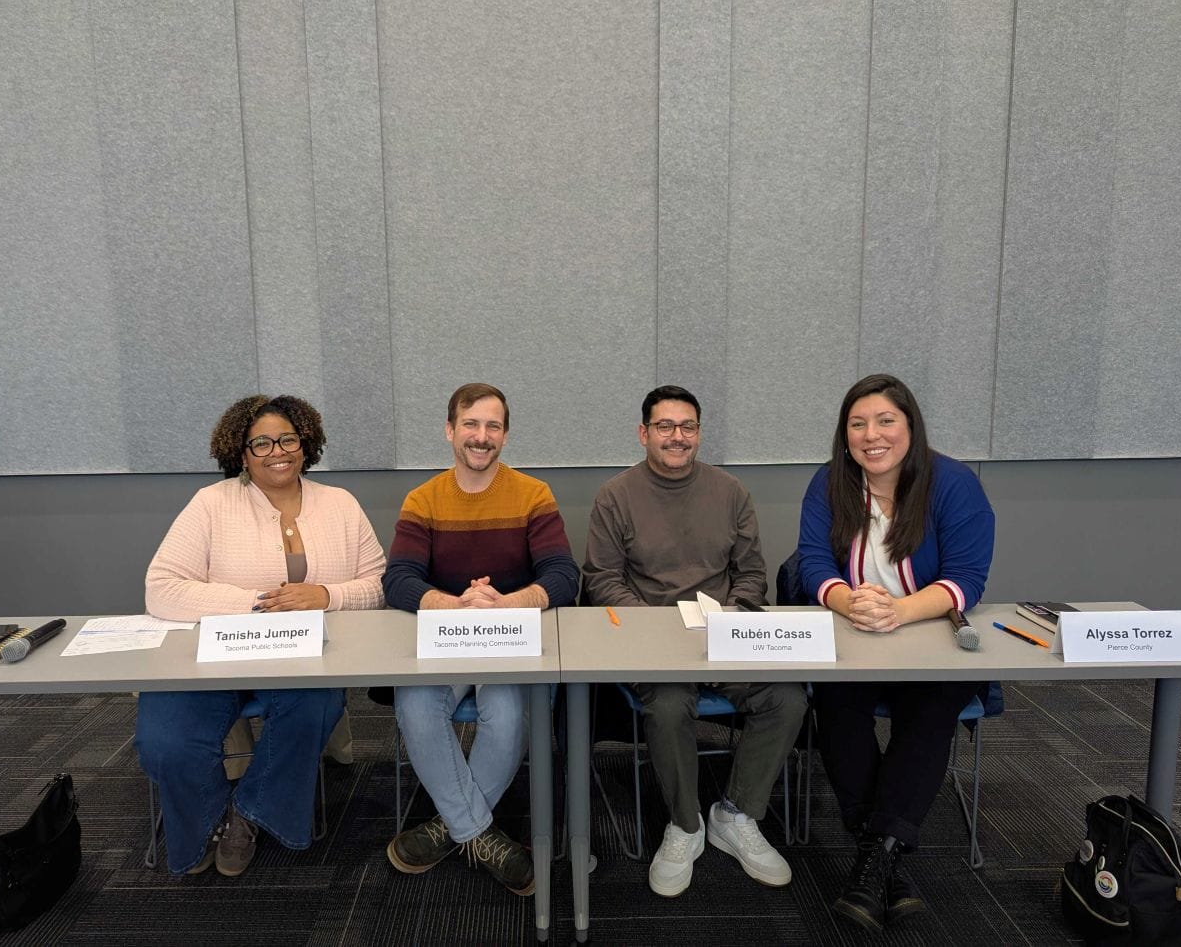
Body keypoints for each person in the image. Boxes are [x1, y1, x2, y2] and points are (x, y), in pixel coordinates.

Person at [136, 395, 386, 877]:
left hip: (304, 659)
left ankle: (247, 814)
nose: (278, 451)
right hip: (214, 654)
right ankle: (205, 820)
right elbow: (161, 588)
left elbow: (379, 585)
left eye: (288, 439)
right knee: (164, 739)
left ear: (306, 444)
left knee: (313, 710)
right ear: (242, 452)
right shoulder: (211, 503)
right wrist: (257, 603)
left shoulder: (341, 504)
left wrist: (325, 595)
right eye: (262, 443)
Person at [582, 385, 808, 897]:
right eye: (665, 426)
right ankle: (685, 825)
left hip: (723, 637)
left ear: (699, 434)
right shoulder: (616, 496)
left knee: (787, 698)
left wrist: (731, 616)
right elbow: (602, 579)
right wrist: (654, 626)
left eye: (687, 427)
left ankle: (736, 814)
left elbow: (751, 574)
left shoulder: (730, 492)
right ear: (644, 433)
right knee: (667, 707)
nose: (677, 436)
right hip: (653, 641)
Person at [797, 373, 995, 931]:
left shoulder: (953, 484)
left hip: (929, 635)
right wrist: (849, 603)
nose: (872, 435)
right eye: (858, 424)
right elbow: (812, 561)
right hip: (853, 633)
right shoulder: (829, 482)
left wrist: (899, 611)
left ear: (911, 426)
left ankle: (874, 856)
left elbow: (967, 578)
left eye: (886, 421)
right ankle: (885, 857)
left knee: (931, 711)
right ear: (844, 434)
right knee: (836, 704)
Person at [382, 383, 579, 896]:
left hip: (510, 639)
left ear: (505, 435)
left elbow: (563, 576)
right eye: (470, 424)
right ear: (450, 431)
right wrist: (457, 606)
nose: (481, 436)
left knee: (509, 715)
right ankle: (479, 833)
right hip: (445, 639)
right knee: (415, 706)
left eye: (493, 426)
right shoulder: (423, 499)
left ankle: (448, 828)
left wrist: (503, 604)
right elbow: (398, 580)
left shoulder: (533, 495)